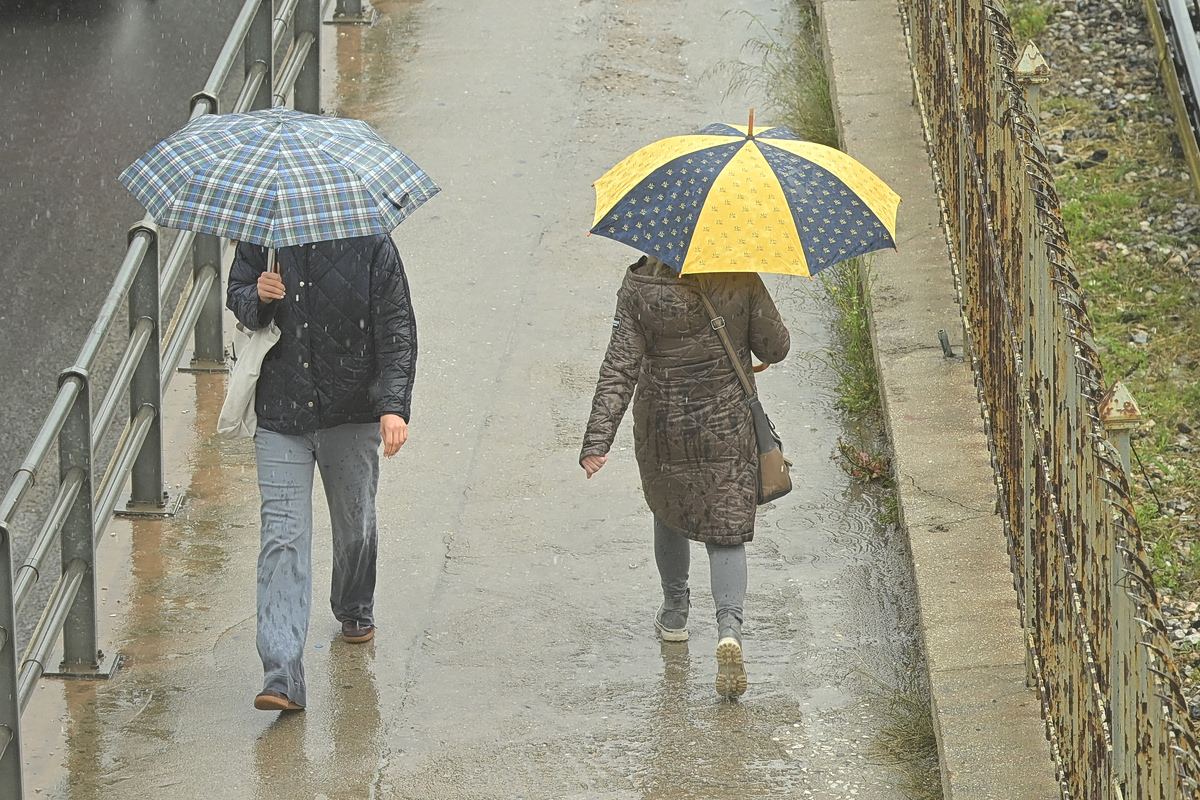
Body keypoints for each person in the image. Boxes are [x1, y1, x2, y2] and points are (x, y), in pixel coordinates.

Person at [580, 255, 790, 698]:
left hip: (663, 424)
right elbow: (776, 347)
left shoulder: (639, 284)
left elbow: (620, 367)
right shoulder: (739, 275)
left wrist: (597, 440)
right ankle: (728, 630)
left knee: (669, 511)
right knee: (725, 529)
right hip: (726, 424)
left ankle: (675, 613)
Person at [226, 233, 416, 712]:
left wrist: (393, 407)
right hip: (280, 415)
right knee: (282, 539)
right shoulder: (264, 232)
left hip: (351, 413)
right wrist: (259, 299)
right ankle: (281, 673)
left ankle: (354, 604)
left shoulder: (372, 241)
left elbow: (396, 327)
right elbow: (239, 296)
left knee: (355, 524)